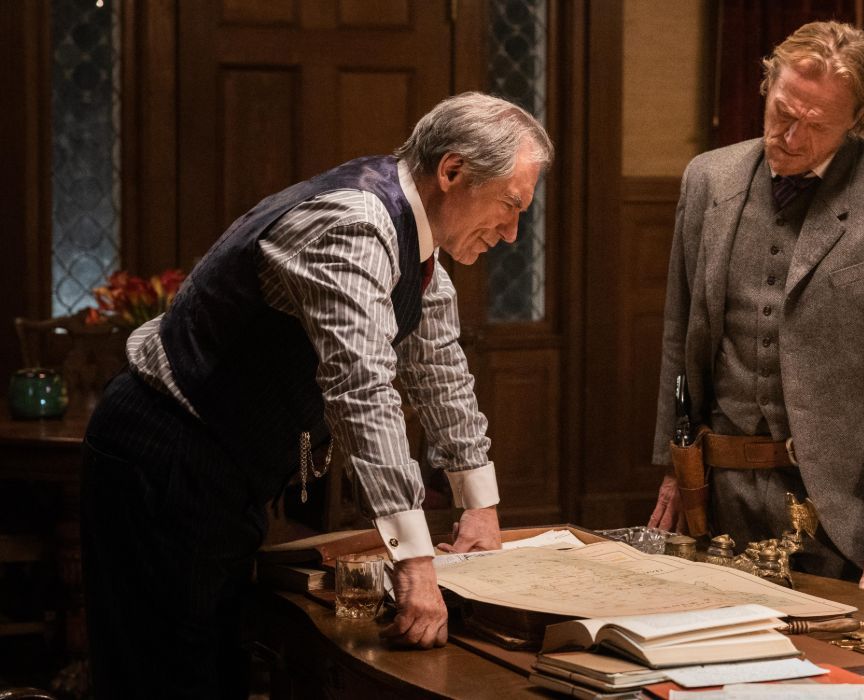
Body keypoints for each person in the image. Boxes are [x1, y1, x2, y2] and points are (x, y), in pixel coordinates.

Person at [80, 92, 552, 697]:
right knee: (165, 680)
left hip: (217, 463)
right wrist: (413, 561)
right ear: (453, 171)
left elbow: (438, 365)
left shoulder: (417, 241)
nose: (512, 233)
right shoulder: (354, 226)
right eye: (510, 205)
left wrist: (479, 507)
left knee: (212, 672)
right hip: (164, 451)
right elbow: (362, 388)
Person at [647, 21, 864, 597]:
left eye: (815, 126)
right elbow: (679, 333)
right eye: (782, 112)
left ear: (857, 121)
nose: (790, 137)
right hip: (717, 491)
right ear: (768, 84)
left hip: (841, 506)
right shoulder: (708, 179)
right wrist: (675, 466)